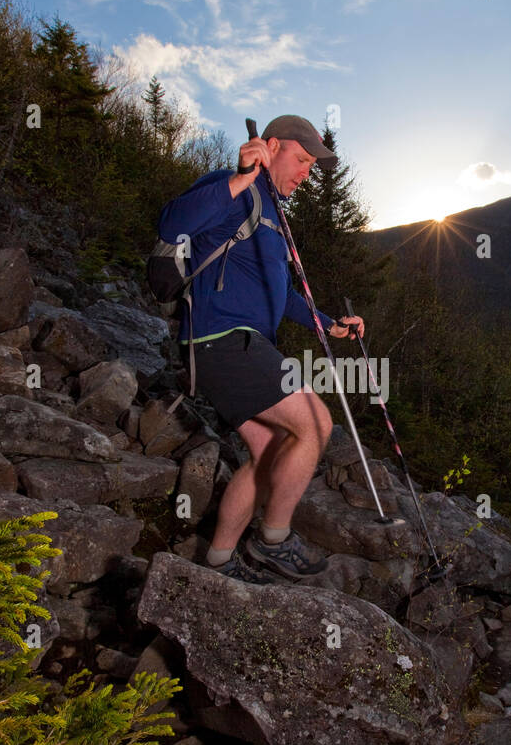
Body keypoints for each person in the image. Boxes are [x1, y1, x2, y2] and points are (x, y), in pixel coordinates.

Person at [156, 114, 365, 584]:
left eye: (312, 166)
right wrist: (239, 178)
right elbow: (172, 224)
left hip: (240, 345)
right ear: (272, 146)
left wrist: (330, 326)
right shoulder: (236, 190)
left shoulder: (273, 216)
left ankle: (218, 563)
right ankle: (273, 540)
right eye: (302, 160)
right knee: (315, 422)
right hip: (223, 339)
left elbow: (284, 295)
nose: (306, 173)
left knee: (269, 448)